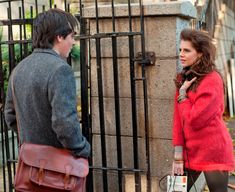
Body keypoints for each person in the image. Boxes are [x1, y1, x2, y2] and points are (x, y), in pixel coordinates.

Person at [4, 9, 90, 158]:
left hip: (30, 164)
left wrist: (33, 140)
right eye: (72, 36)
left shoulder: (19, 68)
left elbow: (10, 116)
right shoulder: (61, 70)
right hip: (58, 169)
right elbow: (65, 124)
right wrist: (83, 149)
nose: (74, 42)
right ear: (59, 37)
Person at [172, 29, 234, 192]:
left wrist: (183, 97)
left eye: (187, 50)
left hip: (212, 149)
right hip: (189, 151)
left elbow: (196, 119)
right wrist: (178, 153)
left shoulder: (212, 79)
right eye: (180, 50)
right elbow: (178, 119)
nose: (181, 54)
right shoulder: (182, 78)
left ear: (200, 53)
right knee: (175, 190)